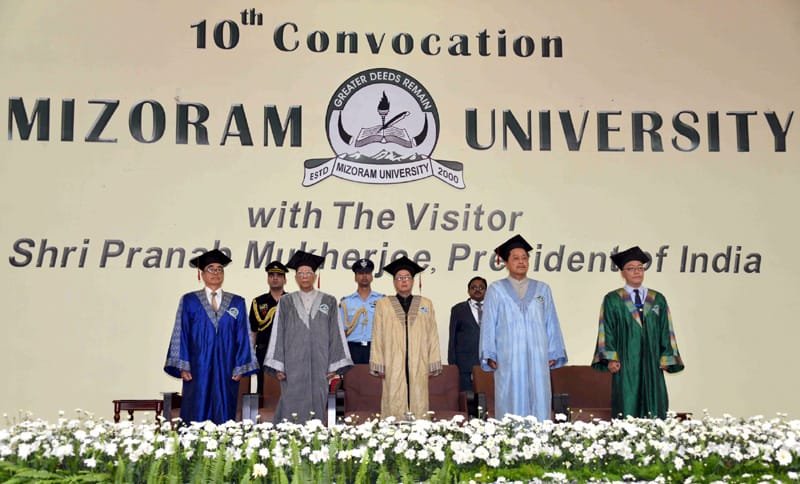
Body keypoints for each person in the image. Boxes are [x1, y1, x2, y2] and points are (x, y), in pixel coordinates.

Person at [164, 249, 259, 423]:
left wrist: (240, 366)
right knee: (196, 408)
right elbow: (181, 332)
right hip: (197, 366)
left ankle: (223, 446)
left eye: (219, 269)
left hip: (227, 366)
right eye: (211, 269)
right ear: (202, 273)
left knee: (224, 409)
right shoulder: (189, 300)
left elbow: (243, 336)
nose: (216, 273)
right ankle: (194, 447)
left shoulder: (237, 301)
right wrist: (183, 365)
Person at [480, 234, 568, 421]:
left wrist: (553, 352)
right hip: (508, 356)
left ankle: (540, 446)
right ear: (506, 262)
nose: (521, 262)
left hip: (538, 356)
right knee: (510, 398)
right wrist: (490, 353)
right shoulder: (496, 290)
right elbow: (488, 324)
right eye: (516, 258)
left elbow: (551, 321)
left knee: (540, 397)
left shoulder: (542, 290)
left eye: (524, 258)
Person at [591, 246, 685, 419]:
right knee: (627, 404)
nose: (637, 272)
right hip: (626, 363)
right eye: (631, 268)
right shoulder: (612, 299)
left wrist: (667, 358)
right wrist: (611, 358)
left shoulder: (657, 299)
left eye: (640, 268)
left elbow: (667, 329)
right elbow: (606, 330)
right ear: (623, 273)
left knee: (655, 407)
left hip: (653, 363)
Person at [264, 250, 352, 423]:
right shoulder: (286, 301)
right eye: (300, 273)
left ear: (315, 276)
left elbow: (336, 333)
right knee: (291, 404)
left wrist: (334, 365)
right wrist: (278, 365)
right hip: (292, 364)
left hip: (321, 363)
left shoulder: (329, 301)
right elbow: (277, 332)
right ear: (295, 277)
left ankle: (315, 444)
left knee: (318, 404)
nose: (304, 276)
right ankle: (289, 443)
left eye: (308, 273)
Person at [370, 256, 442, 420]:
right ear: (394, 282)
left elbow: (432, 334)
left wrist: (432, 362)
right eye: (399, 278)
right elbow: (377, 335)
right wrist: (378, 362)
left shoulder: (426, 304)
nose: (403, 281)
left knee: (419, 399)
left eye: (407, 277)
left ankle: (419, 436)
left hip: (419, 361)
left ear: (413, 281)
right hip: (392, 362)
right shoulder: (383, 304)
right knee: (393, 398)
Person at [248, 260, 288, 397]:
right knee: (263, 388)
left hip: (287, 352)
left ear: (285, 279)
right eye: (271, 275)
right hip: (263, 351)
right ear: (268, 278)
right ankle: (262, 416)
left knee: (287, 387)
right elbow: (253, 331)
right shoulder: (258, 302)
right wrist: (251, 355)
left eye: (278, 275)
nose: (275, 278)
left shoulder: (292, 301)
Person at [339, 258, 384, 364]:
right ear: (355, 277)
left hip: (375, 348)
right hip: (352, 349)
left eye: (367, 273)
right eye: (360, 273)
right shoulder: (346, 302)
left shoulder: (382, 301)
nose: (364, 276)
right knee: (353, 380)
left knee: (375, 380)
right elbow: (341, 332)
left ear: (372, 276)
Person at [448, 276, 487, 392]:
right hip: (465, 365)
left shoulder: (494, 308)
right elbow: (452, 338)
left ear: (486, 290)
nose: (477, 290)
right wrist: (453, 364)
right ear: (468, 290)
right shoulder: (458, 309)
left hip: (489, 364)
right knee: (468, 401)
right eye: (473, 287)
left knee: (488, 400)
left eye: (481, 287)